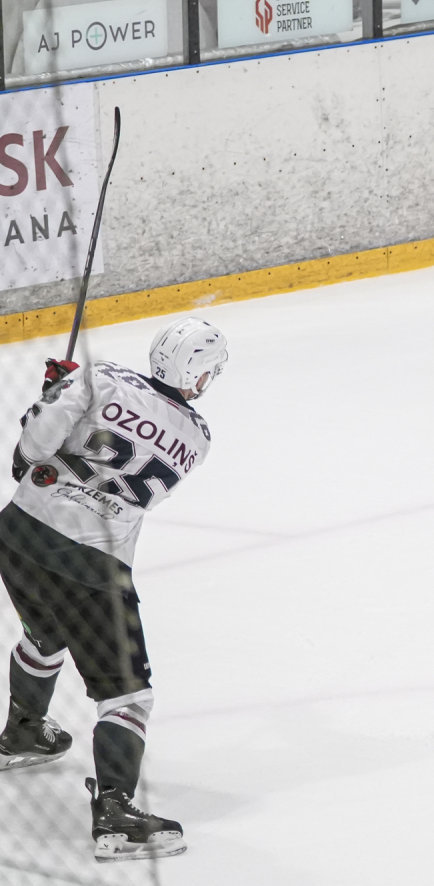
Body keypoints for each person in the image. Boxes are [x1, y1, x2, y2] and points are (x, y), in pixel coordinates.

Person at [0, 318, 227, 862]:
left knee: (45, 633)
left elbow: (29, 452)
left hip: (18, 535)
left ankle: (24, 731)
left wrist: (51, 397)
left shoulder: (99, 377)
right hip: (90, 566)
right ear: (195, 376)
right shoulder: (197, 438)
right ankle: (117, 815)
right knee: (128, 696)